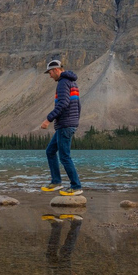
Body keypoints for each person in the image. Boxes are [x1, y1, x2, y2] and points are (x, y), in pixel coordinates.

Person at [40, 59, 83, 196]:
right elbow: (78, 105)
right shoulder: (71, 82)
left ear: (57, 70)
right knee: (50, 151)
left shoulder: (63, 83)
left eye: (50, 72)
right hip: (67, 123)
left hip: (65, 124)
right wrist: (75, 120)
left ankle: (76, 186)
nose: (50, 76)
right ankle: (56, 182)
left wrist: (48, 119)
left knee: (64, 157)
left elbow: (63, 103)